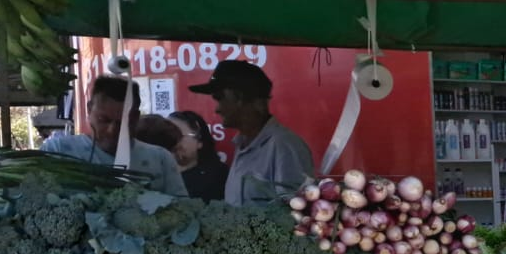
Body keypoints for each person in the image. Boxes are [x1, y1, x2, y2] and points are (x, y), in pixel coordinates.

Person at [189, 60, 312, 206]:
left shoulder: (284, 147)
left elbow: (296, 213)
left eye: (221, 98)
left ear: (245, 99)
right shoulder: (243, 144)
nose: (217, 109)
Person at [41, 77, 187, 196]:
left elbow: (183, 211)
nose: (112, 130)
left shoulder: (160, 159)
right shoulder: (58, 151)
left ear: (135, 118)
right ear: (89, 110)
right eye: (103, 120)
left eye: (122, 123)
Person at [169, 109, 228, 202]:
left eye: (178, 135)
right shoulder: (156, 175)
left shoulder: (220, 176)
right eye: (165, 135)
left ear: (199, 141)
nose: (171, 141)